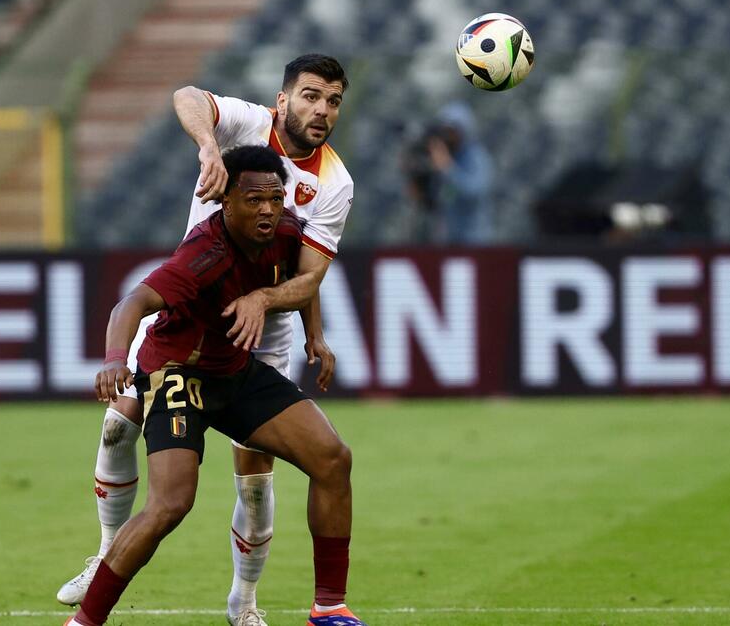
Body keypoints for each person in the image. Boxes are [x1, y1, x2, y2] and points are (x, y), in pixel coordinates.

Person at [58, 54, 354, 626]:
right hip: (185, 341)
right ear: (283, 99)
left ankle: (246, 604)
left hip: (256, 344)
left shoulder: (332, 186)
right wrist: (207, 147)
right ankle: (104, 559)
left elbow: (305, 273)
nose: (321, 110)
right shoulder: (241, 131)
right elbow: (187, 95)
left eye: (333, 101)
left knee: (260, 485)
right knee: (123, 427)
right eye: (311, 96)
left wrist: (302, 326)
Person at [403, 100, 493, 244]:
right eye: (443, 131)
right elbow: (436, 198)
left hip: (474, 241)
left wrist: (447, 168)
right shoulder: (443, 156)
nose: (447, 136)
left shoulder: (475, 157)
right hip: (447, 240)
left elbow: (474, 192)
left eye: (451, 131)